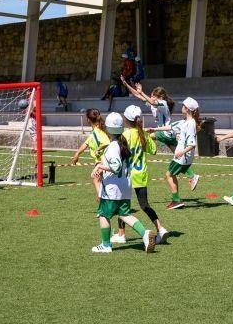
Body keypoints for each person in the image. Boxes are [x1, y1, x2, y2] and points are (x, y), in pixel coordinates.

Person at [90, 112, 156, 253]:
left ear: (108, 128)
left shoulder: (113, 145)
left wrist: (100, 166)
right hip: (125, 185)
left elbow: (116, 166)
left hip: (112, 187)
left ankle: (106, 245)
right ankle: (145, 234)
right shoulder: (122, 142)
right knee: (125, 214)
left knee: (104, 215)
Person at [121, 77, 200, 190]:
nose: (151, 97)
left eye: (154, 95)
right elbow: (138, 96)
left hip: (165, 133)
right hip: (167, 133)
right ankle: (192, 176)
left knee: (143, 135)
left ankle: (137, 152)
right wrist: (126, 84)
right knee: (179, 157)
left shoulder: (163, 104)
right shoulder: (153, 104)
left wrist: (142, 92)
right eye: (151, 95)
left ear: (161, 97)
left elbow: (150, 100)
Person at [111, 105, 169, 245]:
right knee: (144, 205)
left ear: (126, 119)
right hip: (141, 174)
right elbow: (153, 150)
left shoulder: (125, 135)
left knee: (122, 205)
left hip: (127, 175)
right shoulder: (142, 133)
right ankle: (160, 228)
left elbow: (118, 153)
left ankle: (121, 234)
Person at [148, 97, 200, 210]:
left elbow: (192, 144)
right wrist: (154, 129)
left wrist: (182, 152)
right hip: (183, 157)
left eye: (183, 106)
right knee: (173, 174)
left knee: (169, 175)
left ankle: (176, 200)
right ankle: (179, 196)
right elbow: (170, 127)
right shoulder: (184, 122)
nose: (181, 108)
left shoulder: (190, 124)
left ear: (187, 109)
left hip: (182, 156)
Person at [72, 108, 110, 201]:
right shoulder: (95, 131)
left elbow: (106, 142)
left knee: (96, 180)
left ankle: (103, 200)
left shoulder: (97, 132)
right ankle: (103, 198)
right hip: (101, 162)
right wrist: (77, 154)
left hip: (103, 162)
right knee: (99, 181)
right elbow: (86, 143)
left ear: (88, 120)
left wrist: (98, 149)